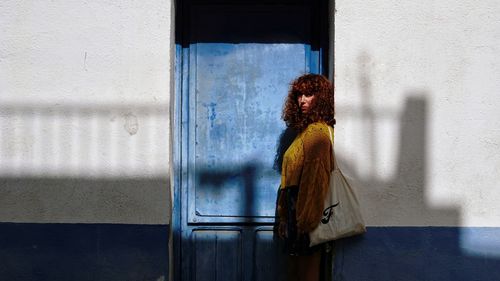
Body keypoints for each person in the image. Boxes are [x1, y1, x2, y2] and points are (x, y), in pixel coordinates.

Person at [275, 73, 336, 281]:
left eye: (309, 95)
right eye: (299, 95)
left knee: (305, 273)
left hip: (305, 213)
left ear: (321, 98)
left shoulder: (316, 133)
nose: (302, 100)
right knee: (296, 273)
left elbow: (315, 180)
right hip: (297, 211)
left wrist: (305, 222)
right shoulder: (306, 131)